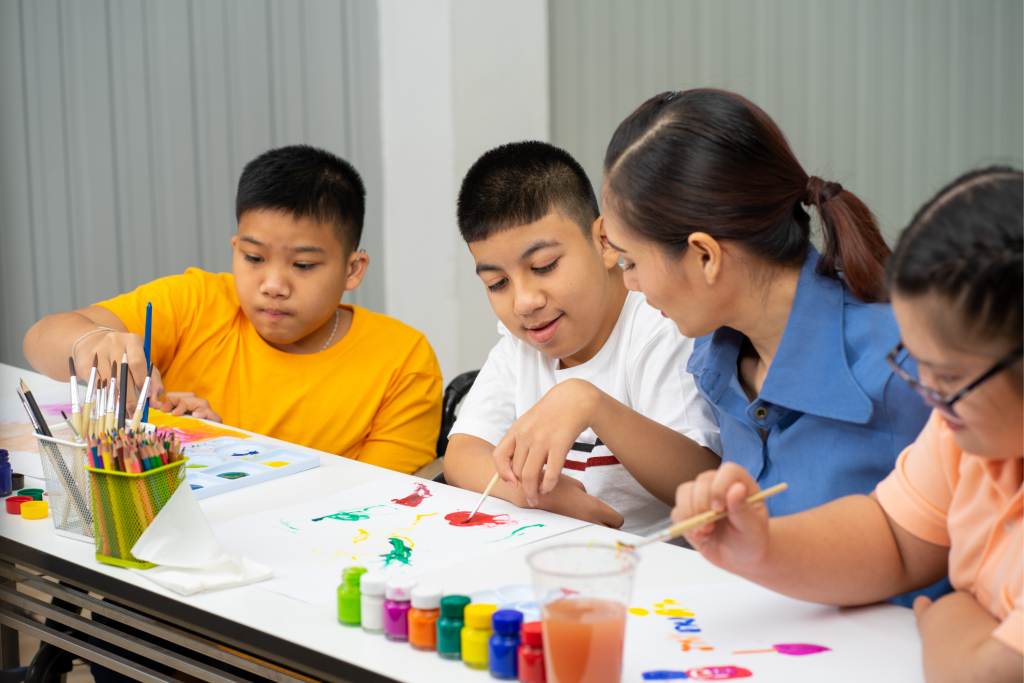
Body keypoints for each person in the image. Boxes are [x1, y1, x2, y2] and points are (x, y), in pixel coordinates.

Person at [671, 168, 1023, 682]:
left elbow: (983, 674)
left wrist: (950, 611)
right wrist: (763, 547)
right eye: (915, 363)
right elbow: (895, 539)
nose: (927, 394)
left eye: (947, 377)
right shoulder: (964, 432)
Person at [24, 145, 442, 474]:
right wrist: (90, 343)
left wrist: (223, 448)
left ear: (353, 269)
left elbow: (380, 502)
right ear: (235, 249)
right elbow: (40, 338)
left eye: (303, 265)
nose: (273, 285)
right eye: (254, 258)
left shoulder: (401, 359)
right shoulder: (197, 300)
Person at [444, 141, 721, 536]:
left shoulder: (659, 324)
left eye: (544, 266)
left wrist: (590, 403)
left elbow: (702, 482)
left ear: (604, 241)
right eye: (497, 283)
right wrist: (529, 493)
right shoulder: (519, 344)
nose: (524, 302)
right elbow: (462, 453)